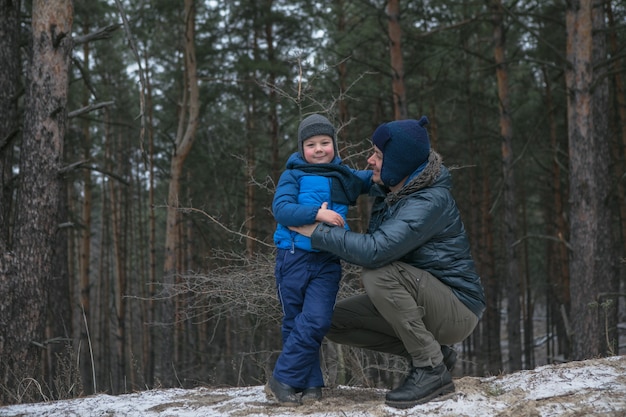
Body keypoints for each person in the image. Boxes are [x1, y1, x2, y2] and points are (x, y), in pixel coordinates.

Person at [290, 116, 486, 409]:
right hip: (422, 295)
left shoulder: (428, 201)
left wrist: (317, 232)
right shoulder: (394, 185)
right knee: (330, 321)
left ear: (400, 163)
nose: (370, 160)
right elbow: (344, 177)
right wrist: (297, 180)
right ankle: (436, 355)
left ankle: (430, 369)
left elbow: (375, 251)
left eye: (379, 156)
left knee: (377, 274)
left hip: (457, 307)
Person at [265, 114, 373, 406]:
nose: (319, 149)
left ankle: (283, 377)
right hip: (293, 258)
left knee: (317, 320)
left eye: (325, 142)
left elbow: (373, 180)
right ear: (302, 149)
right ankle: (310, 384)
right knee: (295, 322)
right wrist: (317, 213)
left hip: (327, 261)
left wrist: (395, 168)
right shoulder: (293, 174)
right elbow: (283, 210)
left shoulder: (342, 175)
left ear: (334, 145)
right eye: (311, 144)